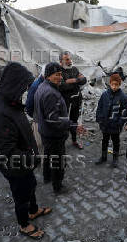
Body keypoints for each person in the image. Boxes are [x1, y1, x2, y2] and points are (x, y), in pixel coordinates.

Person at [0, 62, 52, 240]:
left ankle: (33, 211)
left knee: (30, 186)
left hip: (24, 162)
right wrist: (32, 158)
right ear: (14, 84)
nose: (25, 89)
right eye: (23, 86)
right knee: (21, 196)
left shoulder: (8, 99)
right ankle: (24, 224)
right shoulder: (2, 112)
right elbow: (7, 152)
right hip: (16, 166)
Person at [34, 62, 84, 194]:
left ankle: (47, 177)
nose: (60, 77)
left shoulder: (42, 86)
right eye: (57, 75)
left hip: (45, 132)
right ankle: (58, 187)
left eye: (61, 74)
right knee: (58, 162)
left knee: (48, 155)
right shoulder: (50, 93)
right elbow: (53, 120)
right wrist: (73, 125)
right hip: (54, 135)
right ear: (48, 76)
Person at [95, 73, 127, 167]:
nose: (114, 87)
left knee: (115, 141)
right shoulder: (104, 95)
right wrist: (99, 119)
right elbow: (100, 107)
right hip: (105, 124)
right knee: (105, 140)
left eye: (117, 85)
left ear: (120, 84)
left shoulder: (123, 97)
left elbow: (125, 113)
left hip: (115, 125)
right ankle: (103, 156)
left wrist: (120, 123)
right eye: (112, 84)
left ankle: (115, 158)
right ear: (109, 84)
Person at [59, 51, 87, 149]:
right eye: (66, 59)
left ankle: (74, 140)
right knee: (64, 123)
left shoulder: (74, 69)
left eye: (70, 59)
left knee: (75, 121)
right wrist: (76, 82)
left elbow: (84, 80)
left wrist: (73, 80)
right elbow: (62, 86)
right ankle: (61, 144)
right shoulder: (59, 71)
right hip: (65, 103)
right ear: (61, 61)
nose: (69, 61)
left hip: (76, 101)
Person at [26, 66, 45, 154]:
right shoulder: (35, 86)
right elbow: (29, 105)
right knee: (40, 145)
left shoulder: (45, 84)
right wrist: (35, 116)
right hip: (39, 120)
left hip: (44, 120)